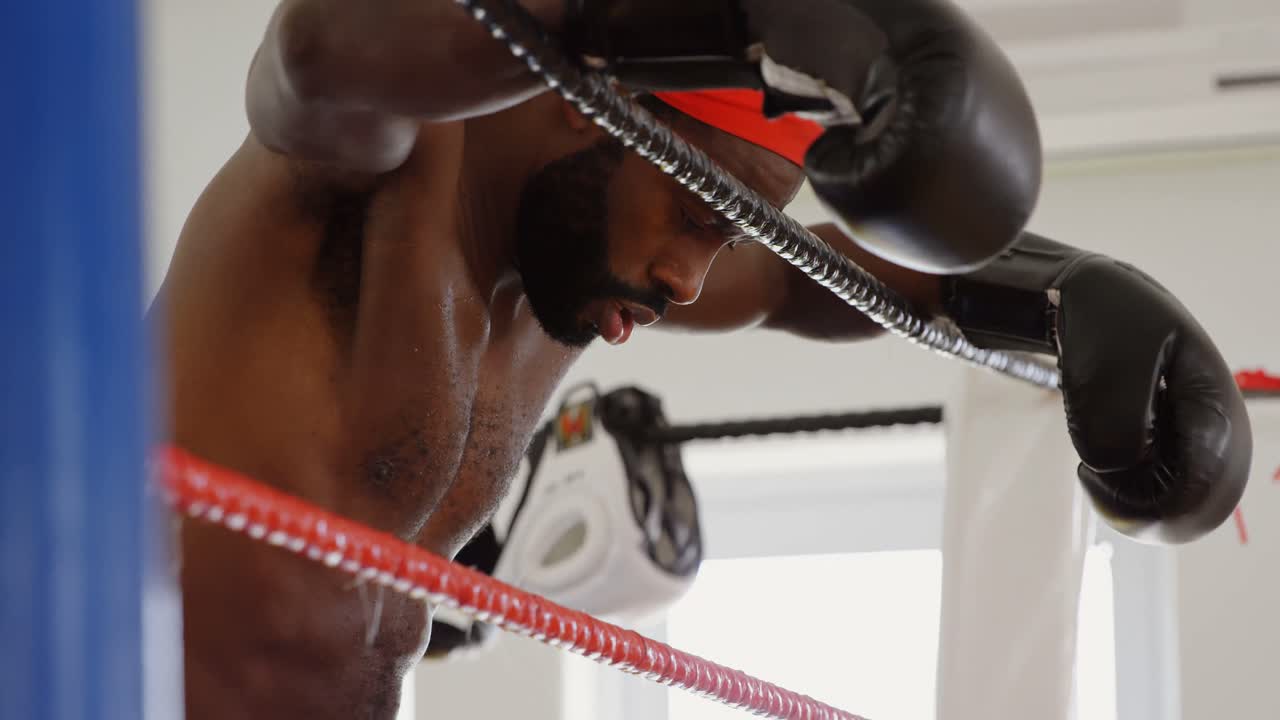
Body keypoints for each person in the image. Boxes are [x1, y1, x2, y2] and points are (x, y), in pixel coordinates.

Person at [150, 1, 1250, 718]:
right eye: (692, 210)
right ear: (599, 105)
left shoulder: (566, 289)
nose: (687, 277)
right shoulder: (376, 167)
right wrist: (670, 13)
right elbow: (313, 54)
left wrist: (1065, 301)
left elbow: (799, 282)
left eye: (720, 233)